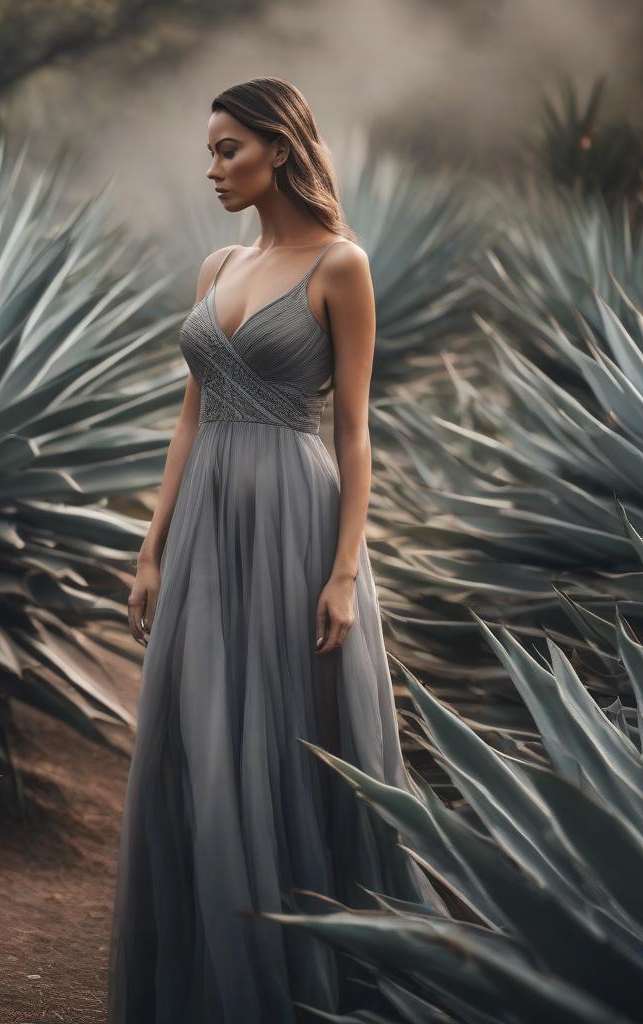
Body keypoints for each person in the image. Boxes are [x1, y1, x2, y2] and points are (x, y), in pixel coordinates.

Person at [106, 77, 443, 1023]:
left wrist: (343, 573)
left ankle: (307, 982)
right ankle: (214, 977)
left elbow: (356, 434)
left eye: (228, 150)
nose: (212, 168)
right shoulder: (216, 265)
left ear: (280, 149)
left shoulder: (342, 264)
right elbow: (189, 419)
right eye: (210, 150)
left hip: (295, 521)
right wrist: (150, 545)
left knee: (288, 741)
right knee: (201, 737)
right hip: (209, 517)